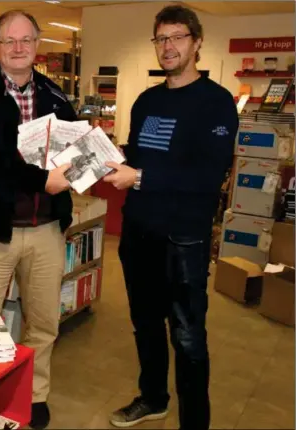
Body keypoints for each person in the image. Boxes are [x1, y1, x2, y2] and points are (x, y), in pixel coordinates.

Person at [101, 5, 239, 430]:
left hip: (184, 240)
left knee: (188, 336)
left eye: (178, 37)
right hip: (139, 232)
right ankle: (154, 398)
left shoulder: (216, 104)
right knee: (145, 324)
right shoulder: (146, 100)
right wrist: (105, 158)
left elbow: (207, 175)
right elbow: (138, 157)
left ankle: (195, 422)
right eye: (161, 38)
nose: (169, 46)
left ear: (197, 43)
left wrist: (138, 176)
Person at [0, 9, 76, 429]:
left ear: (38, 46)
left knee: (43, 323)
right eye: (10, 40)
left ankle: (34, 394)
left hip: (45, 231)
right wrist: (45, 179)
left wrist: (90, 166)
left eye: (26, 40)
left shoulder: (57, 96)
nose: (19, 48)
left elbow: (74, 151)